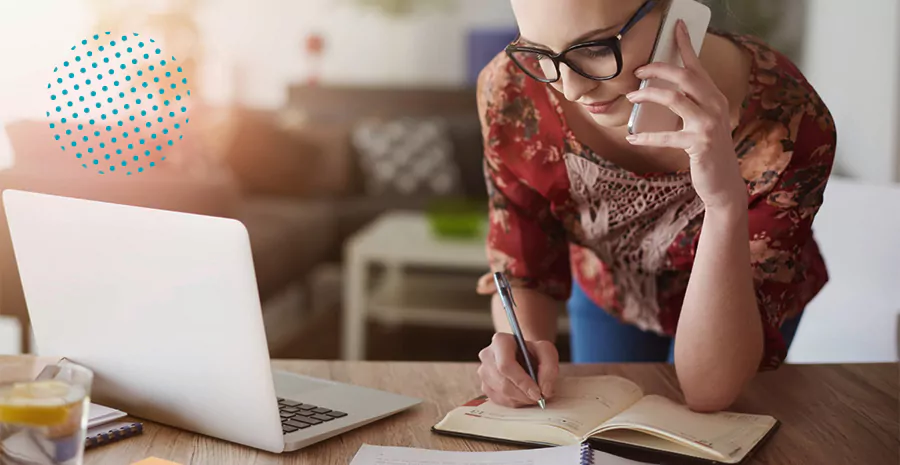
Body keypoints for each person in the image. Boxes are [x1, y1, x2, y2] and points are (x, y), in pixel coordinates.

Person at [473, 0, 836, 412]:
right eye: (539, 53)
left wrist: (723, 205)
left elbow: (708, 392)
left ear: (678, 11)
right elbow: (524, 267)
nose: (572, 89)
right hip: (610, 290)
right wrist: (523, 355)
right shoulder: (513, 91)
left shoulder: (789, 122)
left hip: (743, 299)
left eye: (594, 48)